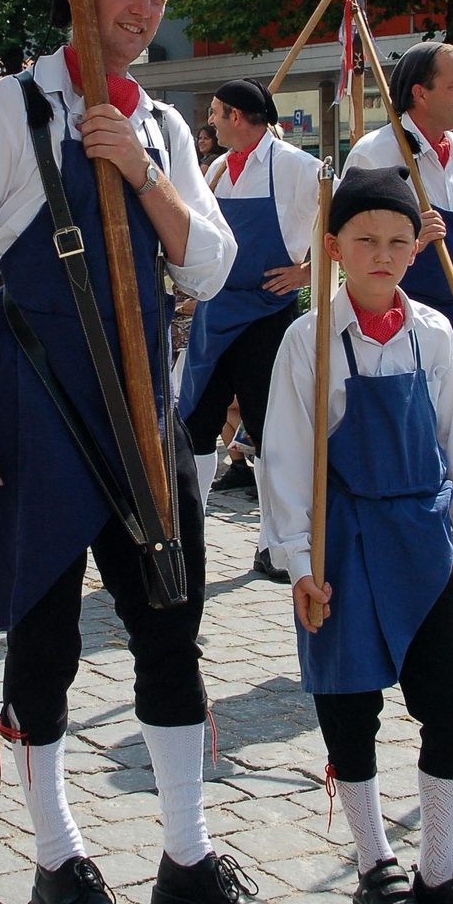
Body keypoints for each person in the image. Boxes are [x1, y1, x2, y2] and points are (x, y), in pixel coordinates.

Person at [0, 0, 287, 904]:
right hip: (34, 391)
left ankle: (186, 856)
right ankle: (56, 857)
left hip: (141, 400)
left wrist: (140, 169)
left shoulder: (161, 121)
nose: (141, 10)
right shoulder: (9, 107)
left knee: (170, 623)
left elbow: (206, 266)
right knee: (47, 631)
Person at [259, 167, 453, 904]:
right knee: (350, 706)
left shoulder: (433, 332)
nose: (382, 255)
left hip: (417, 538)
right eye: (365, 240)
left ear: (416, 248)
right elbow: (282, 456)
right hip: (341, 540)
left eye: (397, 242)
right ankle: (376, 867)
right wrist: (298, 561)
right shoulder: (308, 338)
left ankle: (438, 868)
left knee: (452, 706)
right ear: (334, 248)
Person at [178, 76, 320, 581]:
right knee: (193, 425)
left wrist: (309, 272)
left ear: (237, 117)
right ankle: (184, 542)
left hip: (268, 319)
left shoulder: (300, 168)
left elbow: (343, 222)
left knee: (270, 434)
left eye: (216, 112)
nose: (210, 121)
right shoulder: (216, 169)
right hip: (216, 315)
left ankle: (273, 546)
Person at [341, 44, 453, 401]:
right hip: (395, 327)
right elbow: (345, 242)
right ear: (420, 93)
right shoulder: (376, 153)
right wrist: (409, 243)